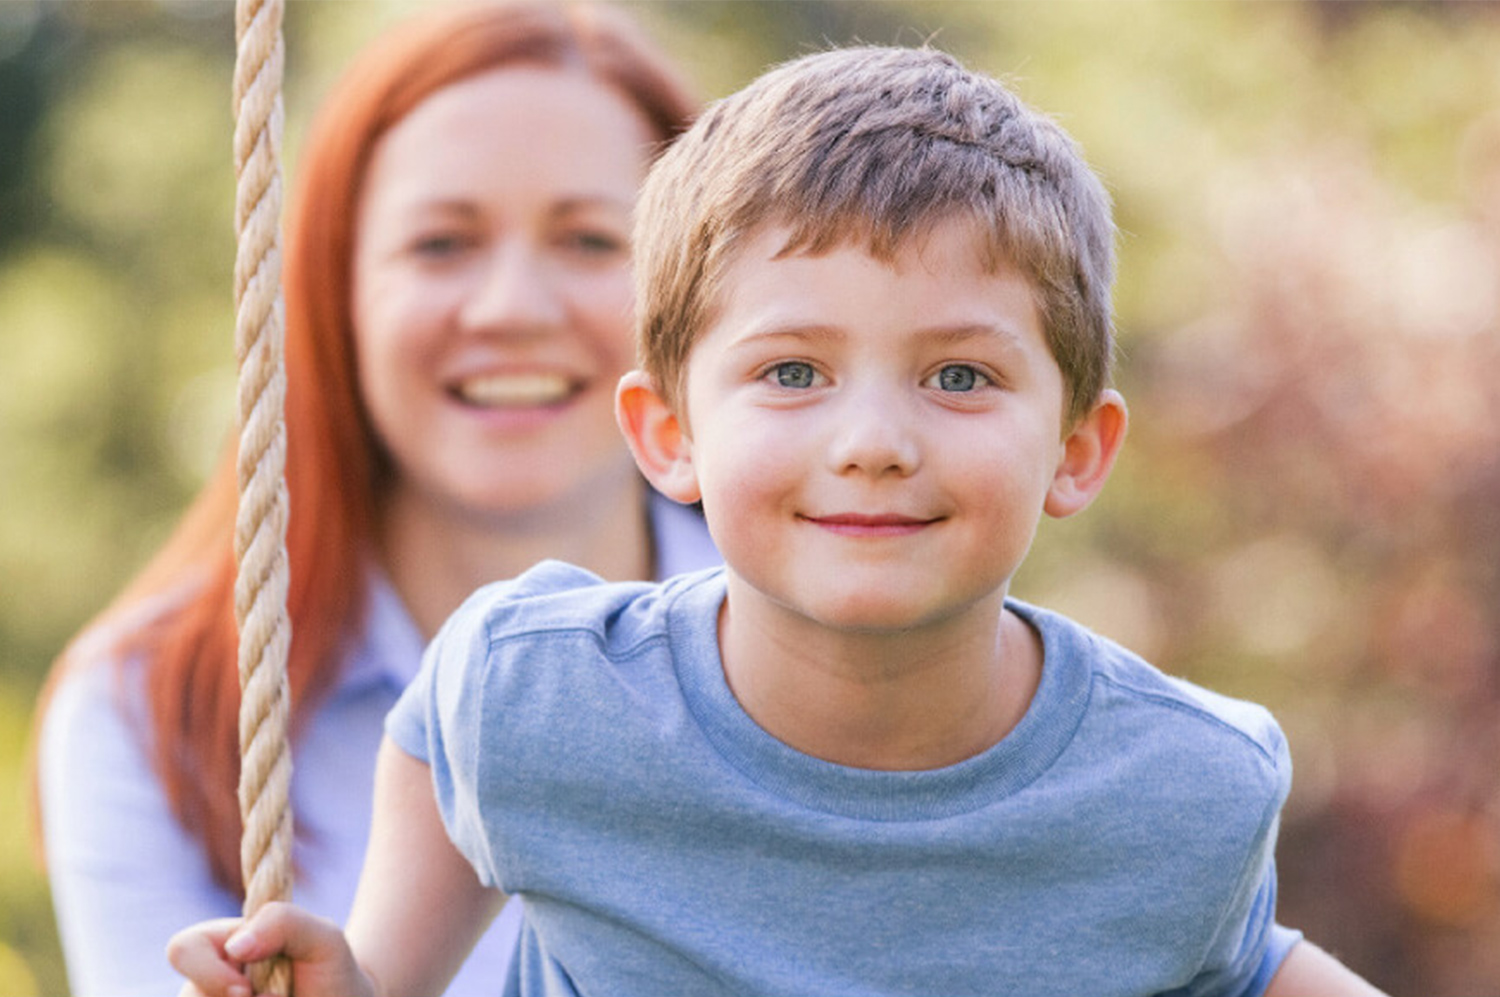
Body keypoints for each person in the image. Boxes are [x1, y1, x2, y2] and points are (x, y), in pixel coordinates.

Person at [167, 43, 1389, 997]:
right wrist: (367, 969)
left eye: (960, 375)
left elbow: (1243, 963)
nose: (872, 439)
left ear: (1077, 451)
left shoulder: (1180, 786)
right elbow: (439, 763)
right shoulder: (540, 697)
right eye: (793, 372)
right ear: (668, 435)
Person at [31, 4, 709, 996]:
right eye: (441, 243)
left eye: (591, 240)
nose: (512, 307)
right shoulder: (160, 709)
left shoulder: (850, 648)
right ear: (334, 292)